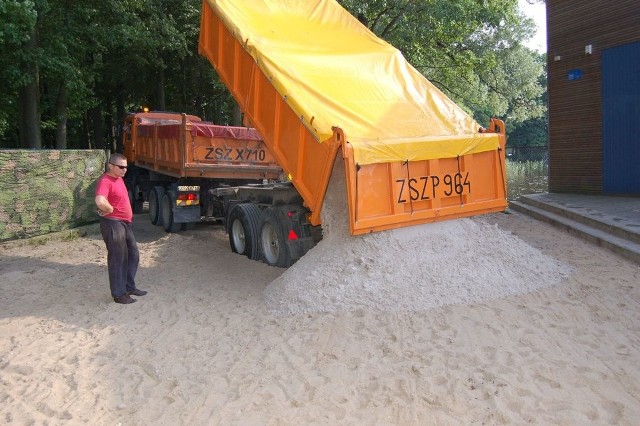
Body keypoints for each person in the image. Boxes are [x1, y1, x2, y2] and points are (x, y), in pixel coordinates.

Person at [95, 153, 147, 304]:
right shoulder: (105, 180)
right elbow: (99, 199)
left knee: (133, 255)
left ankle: (129, 287)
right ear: (111, 166)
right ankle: (119, 294)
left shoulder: (119, 179)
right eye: (121, 167)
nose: (125, 169)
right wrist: (109, 208)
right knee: (118, 259)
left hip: (124, 223)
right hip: (113, 223)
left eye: (126, 167)